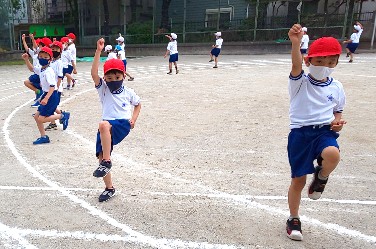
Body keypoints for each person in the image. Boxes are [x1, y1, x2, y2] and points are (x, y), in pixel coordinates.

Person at [286, 24, 346, 241]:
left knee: (333, 154)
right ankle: (293, 218)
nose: (325, 66)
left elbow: (338, 111)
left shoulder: (336, 86)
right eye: (319, 61)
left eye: (331, 62)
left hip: (323, 132)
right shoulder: (300, 82)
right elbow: (295, 64)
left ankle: (321, 176)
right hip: (300, 135)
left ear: (336, 63)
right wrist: (295, 43)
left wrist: (337, 122)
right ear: (308, 61)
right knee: (298, 181)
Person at [91, 38, 141, 202]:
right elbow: (93, 74)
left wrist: (133, 120)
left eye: (117, 77)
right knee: (100, 155)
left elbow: (138, 105)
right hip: (106, 129)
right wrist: (98, 51)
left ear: (123, 76)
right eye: (110, 78)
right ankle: (109, 188)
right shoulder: (103, 90)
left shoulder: (128, 92)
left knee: (103, 125)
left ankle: (107, 161)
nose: (114, 80)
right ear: (105, 79)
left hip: (121, 125)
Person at [22, 47, 70, 144]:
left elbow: (52, 86)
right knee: (37, 117)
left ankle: (62, 115)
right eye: (40, 56)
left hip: (51, 96)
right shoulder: (42, 69)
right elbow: (32, 69)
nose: (42, 58)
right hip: (46, 94)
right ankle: (44, 137)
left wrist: (46, 98)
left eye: (45, 57)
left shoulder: (49, 71)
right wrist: (27, 59)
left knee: (41, 118)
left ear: (50, 59)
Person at [45, 41, 64, 131]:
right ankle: (57, 119)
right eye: (52, 49)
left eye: (56, 49)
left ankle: (61, 117)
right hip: (50, 88)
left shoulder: (59, 62)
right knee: (52, 106)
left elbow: (60, 76)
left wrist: (56, 88)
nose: (54, 50)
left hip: (56, 88)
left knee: (51, 106)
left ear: (60, 51)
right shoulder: (51, 62)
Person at [21, 33, 43, 107]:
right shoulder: (34, 53)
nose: (34, 46)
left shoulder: (40, 53)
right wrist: (23, 40)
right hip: (36, 72)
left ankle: (39, 95)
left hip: (39, 73)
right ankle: (38, 96)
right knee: (36, 86)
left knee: (28, 83)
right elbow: (27, 48)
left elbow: (36, 46)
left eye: (38, 44)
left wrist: (33, 38)